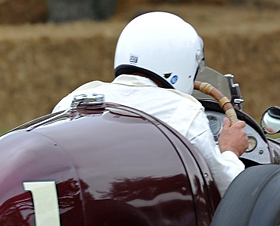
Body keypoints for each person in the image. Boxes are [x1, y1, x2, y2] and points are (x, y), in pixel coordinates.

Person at [53, 11, 248, 193]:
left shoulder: (72, 101)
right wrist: (230, 150)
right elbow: (229, 187)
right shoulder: (182, 110)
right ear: (183, 62)